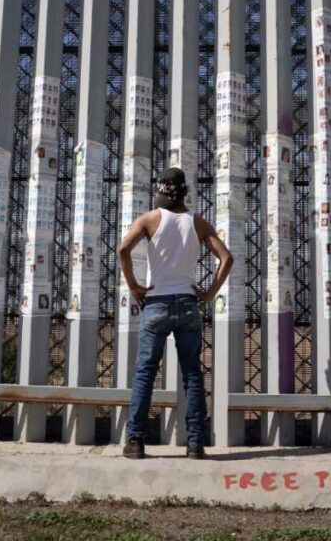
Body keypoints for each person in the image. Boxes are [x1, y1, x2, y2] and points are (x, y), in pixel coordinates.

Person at [117, 167, 233, 460]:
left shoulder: (149, 219)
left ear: (161, 191)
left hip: (156, 302)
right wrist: (208, 293)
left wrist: (134, 286)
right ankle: (195, 444)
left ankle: (135, 442)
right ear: (186, 192)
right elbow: (226, 258)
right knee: (192, 374)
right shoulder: (198, 222)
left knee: (145, 372)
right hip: (188, 302)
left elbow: (122, 250)